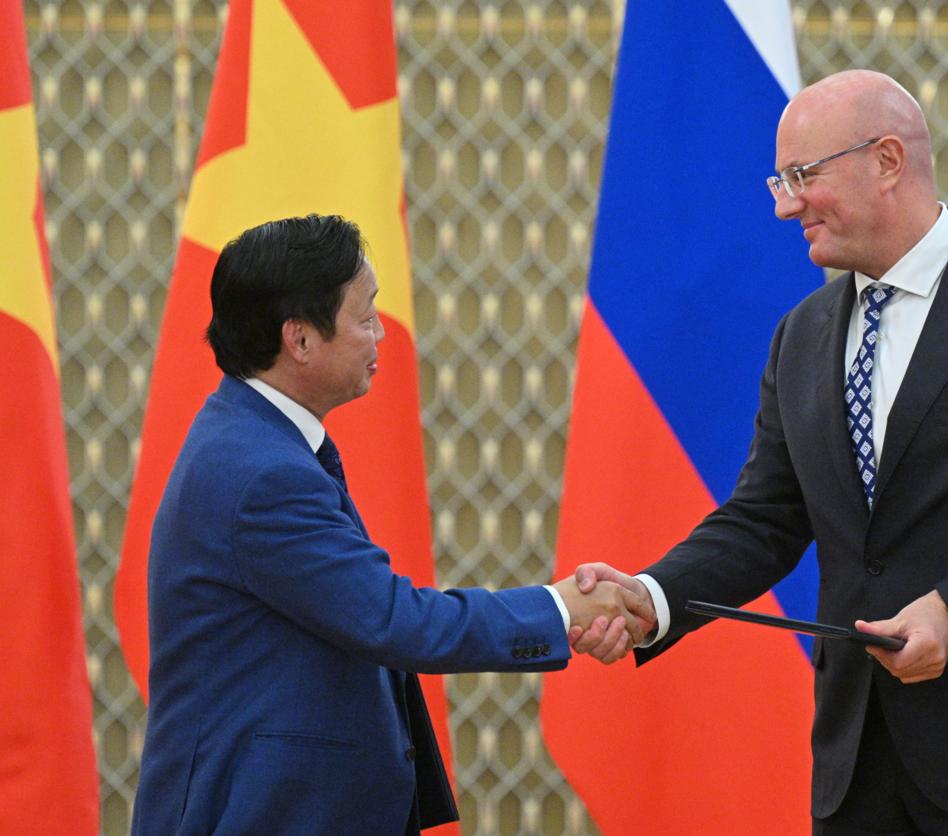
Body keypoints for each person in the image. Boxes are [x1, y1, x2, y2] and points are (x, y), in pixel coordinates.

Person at [570, 70, 948, 833]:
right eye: (779, 182)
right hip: (856, 769)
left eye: (801, 176)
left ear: (886, 160)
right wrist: (649, 597)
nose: (785, 205)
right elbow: (765, 519)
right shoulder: (802, 334)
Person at [132, 214, 654, 834]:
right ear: (300, 340)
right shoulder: (262, 474)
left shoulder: (251, 438)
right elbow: (395, 620)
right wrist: (561, 609)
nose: (381, 331)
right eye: (365, 315)